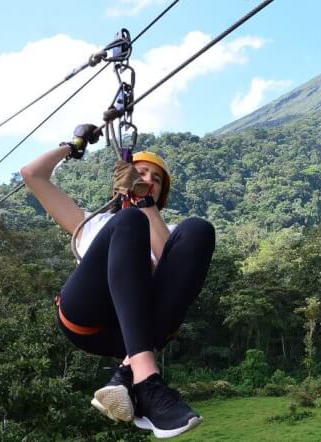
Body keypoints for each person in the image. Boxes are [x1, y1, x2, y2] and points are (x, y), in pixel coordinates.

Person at [20, 125, 215, 439]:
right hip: (85, 317)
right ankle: (146, 381)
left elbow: (175, 270)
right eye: (140, 172)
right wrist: (75, 146)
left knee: (198, 230)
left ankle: (128, 375)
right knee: (128, 222)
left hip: (130, 332)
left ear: (160, 194)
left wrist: (144, 204)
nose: (148, 179)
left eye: (156, 178)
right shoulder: (90, 222)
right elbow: (32, 174)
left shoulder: (166, 230)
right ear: (122, 179)